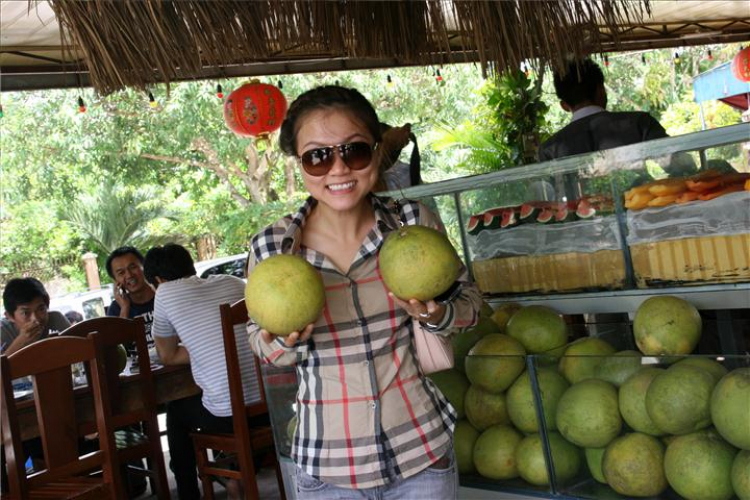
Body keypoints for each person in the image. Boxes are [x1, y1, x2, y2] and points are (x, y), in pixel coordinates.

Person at [246, 85, 482, 499]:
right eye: (318, 156)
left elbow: (471, 304)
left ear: (375, 152)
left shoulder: (414, 223)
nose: (338, 169)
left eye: (353, 151)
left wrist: (433, 315)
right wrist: (284, 342)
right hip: (328, 468)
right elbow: (262, 342)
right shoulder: (272, 248)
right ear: (299, 164)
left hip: (420, 454)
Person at [145, 243, 261, 500]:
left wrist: (198, 346)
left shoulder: (164, 293)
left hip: (227, 416)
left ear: (157, 280)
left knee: (177, 412)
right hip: (266, 408)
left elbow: (167, 355)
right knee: (207, 399)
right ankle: (229, 471)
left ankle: (190, 493)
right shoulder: (234, 283)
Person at [105, 246, 156, 353]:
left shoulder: (163, 295)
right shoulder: (116, 308)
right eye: (121, 273)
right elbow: (117, 351)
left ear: (144, 267)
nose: (129, 275)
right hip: (139, 368)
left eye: (133, 267)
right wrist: (124, 308)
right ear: (115, 281)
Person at [1, 277, 70, 355]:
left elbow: (78, 349)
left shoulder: (56, 320)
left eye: (41, 309)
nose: (36, 319)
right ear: (9, 316)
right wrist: (21, 342)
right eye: (25, 313)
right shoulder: (2, 332)